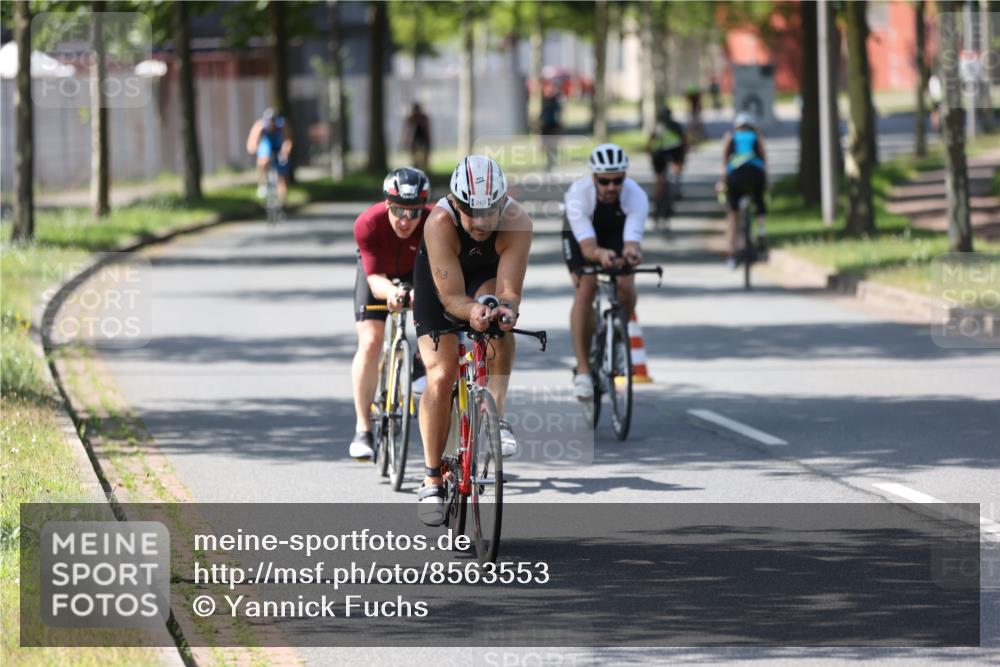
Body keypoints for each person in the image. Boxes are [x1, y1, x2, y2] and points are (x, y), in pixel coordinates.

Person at [413, 155, 533, 525]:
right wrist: (470, 313)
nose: (481, 223)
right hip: (441, 285)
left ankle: (495, 416)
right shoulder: (439, 223)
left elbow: (509, 291)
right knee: (441, 374)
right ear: (456, 202)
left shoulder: (517, 222)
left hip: (484, 277)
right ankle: (432, 477)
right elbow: (450, 299)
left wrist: (503, 310)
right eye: (472, 213)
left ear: (502, 203)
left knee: (499, 322)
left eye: (490, 212)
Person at [349, 168, 432, 459]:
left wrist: (420, 294)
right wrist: (394, 294)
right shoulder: (368, 224)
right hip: (379, 276)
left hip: (418, 274)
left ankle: (420, 363)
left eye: (414, 212)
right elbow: (374, 280)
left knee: (436, 320)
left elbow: (439, 275)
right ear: (387, 204)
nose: (405, 220)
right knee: (371, 342)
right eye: (398, 210)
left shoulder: (436, 223)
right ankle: (363, 428)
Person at [562, 144, 648, 400]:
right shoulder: (578, 195)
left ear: (625, 177)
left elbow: (632, 242)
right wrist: (601, 255)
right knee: (586, 285)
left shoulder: (636, 196)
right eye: (605, 181)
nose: (611, 186)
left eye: (618, 180)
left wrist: (631, 254)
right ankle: (584, 372)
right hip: (579, 235)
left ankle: (618, 334)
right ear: (594, 178)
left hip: (614, 230)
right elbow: (588, 247)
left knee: (625, 280)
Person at [717, 112, 768, 268]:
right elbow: (764, 158)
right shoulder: (756, 136)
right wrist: (766, 180)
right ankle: (761, 229)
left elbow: (725, 163)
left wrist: (721, 182)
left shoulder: (730, 136)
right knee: (759, 199)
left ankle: (731, 254)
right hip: (756, 173)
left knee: (732, 214)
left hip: (736, 176)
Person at [646, 107, 687, 217]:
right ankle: (675, 190)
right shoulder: (676, 126)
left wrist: (650, 155)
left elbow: (650, 144)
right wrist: (682, 160)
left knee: (659, 178)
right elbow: (684, 142)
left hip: (660, 154)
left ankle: (656, 201)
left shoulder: (657, 127)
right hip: (674, 152)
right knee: (675, 172)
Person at [246, 108, 292, 202]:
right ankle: (263, 184)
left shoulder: (282, 124)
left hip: (278, 143)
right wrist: (254, 149)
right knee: (263, 160)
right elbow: (252, 142)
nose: (271, 126)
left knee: (282, 174)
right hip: (266, 144)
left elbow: (287, 140)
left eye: (273, 123)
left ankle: (282, 201)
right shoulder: (260, 126)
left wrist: (285, 151)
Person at [539, 80, 563, 171]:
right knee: (546, 146)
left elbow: (559, 114)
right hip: (545, 127)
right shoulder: (544, 99)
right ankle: (549, 163)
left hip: (553, 127)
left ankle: (552, 163)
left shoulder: (557, 100)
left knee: (553, 146)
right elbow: (543, 113)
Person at [402, 103, 432, 174]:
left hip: (422, 141)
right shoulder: (411, 118)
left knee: (423, 158)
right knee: (415, 158)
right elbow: (407, 131)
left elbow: (426, 129)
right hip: (415, 142)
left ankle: (424, 171)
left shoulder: (423, 118)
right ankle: (416, 170)